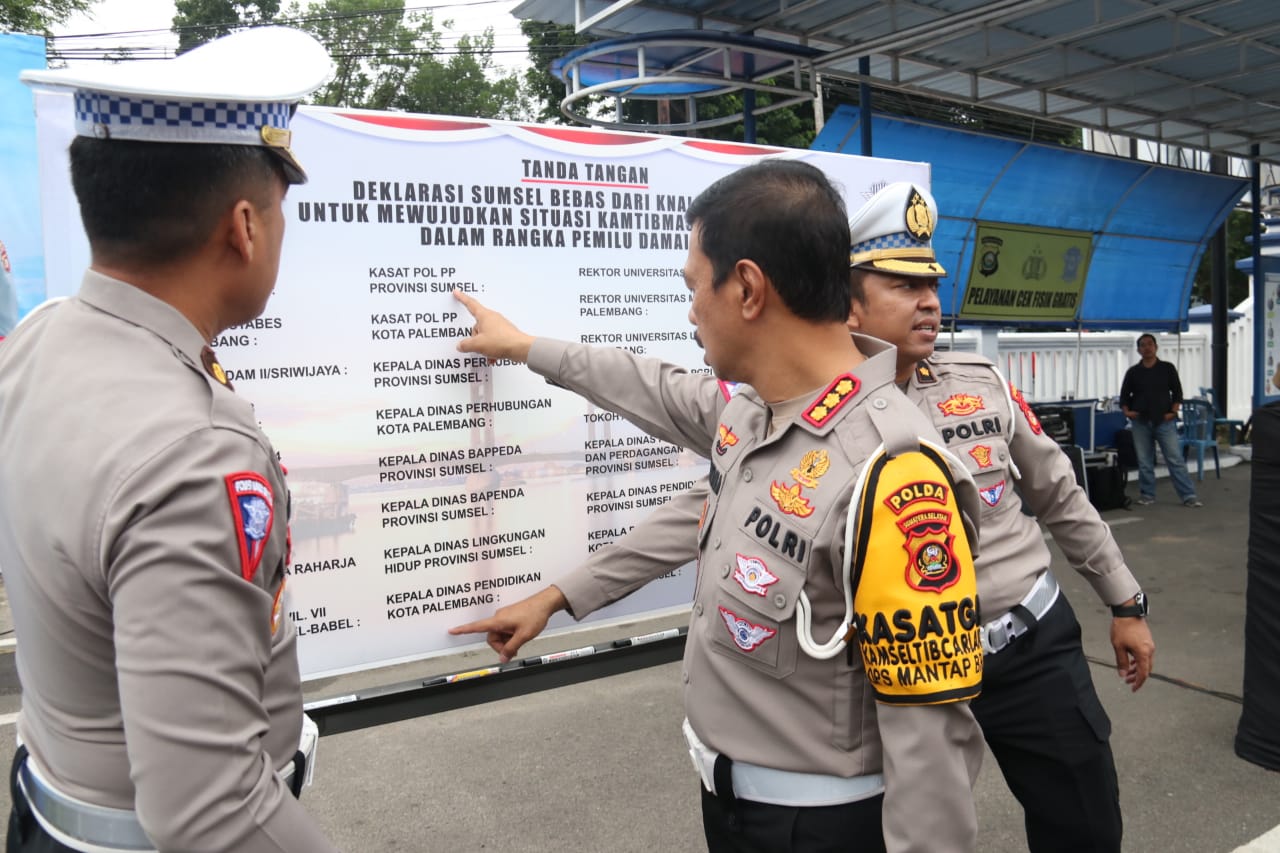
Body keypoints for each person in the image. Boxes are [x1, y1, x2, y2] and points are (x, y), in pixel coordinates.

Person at [456, 180, 1155, 853]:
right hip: (781, 775)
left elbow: (1060, 499)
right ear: (849, 303)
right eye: (904, 285)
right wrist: (558, 592)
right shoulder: (761, 414)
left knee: (1081, 825)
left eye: (696, 287)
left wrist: (1125, 599)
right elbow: (660, 414)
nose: (928, 304)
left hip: (1009, 661)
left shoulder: (912, 446)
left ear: (750, 288)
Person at [1, 29, 341, 853]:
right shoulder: (194, 451)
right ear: (243, 226)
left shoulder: (42, 340)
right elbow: (211, 810)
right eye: (282, 204)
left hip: (49, 803)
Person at [1119, 333, 1202, 507]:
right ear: (1138, 350)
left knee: (1175, 459)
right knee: (1144, 461)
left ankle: (1188, 496)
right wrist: (1127, 412)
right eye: (1143, 345)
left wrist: (1173, 411)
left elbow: (1177, 392)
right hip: (1140, 421)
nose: (1147, 348)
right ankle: (1147, 495)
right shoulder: (1133, 372)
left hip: (1165, 420)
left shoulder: (1167, 368)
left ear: (1156, 347)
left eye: (1150, 344)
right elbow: (1124, 396)